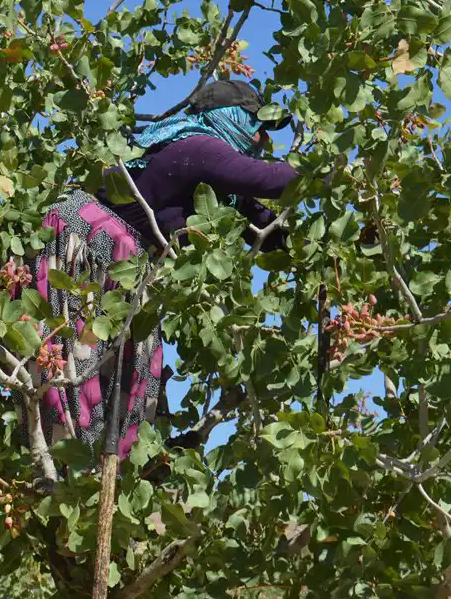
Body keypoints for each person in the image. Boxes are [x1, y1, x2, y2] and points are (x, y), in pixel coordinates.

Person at [20, 79, 299, 465]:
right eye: (258, 123)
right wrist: (334, 169)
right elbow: (271, 180)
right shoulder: (199, 147)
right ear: (229, 117)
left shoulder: (221, 184)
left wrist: (311, 244)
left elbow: (264, 228)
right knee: (73, 372)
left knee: (132, 386)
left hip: (124, 266)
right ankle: (71, 468)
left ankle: (110, 476)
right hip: (86, 244)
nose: (263, 137)